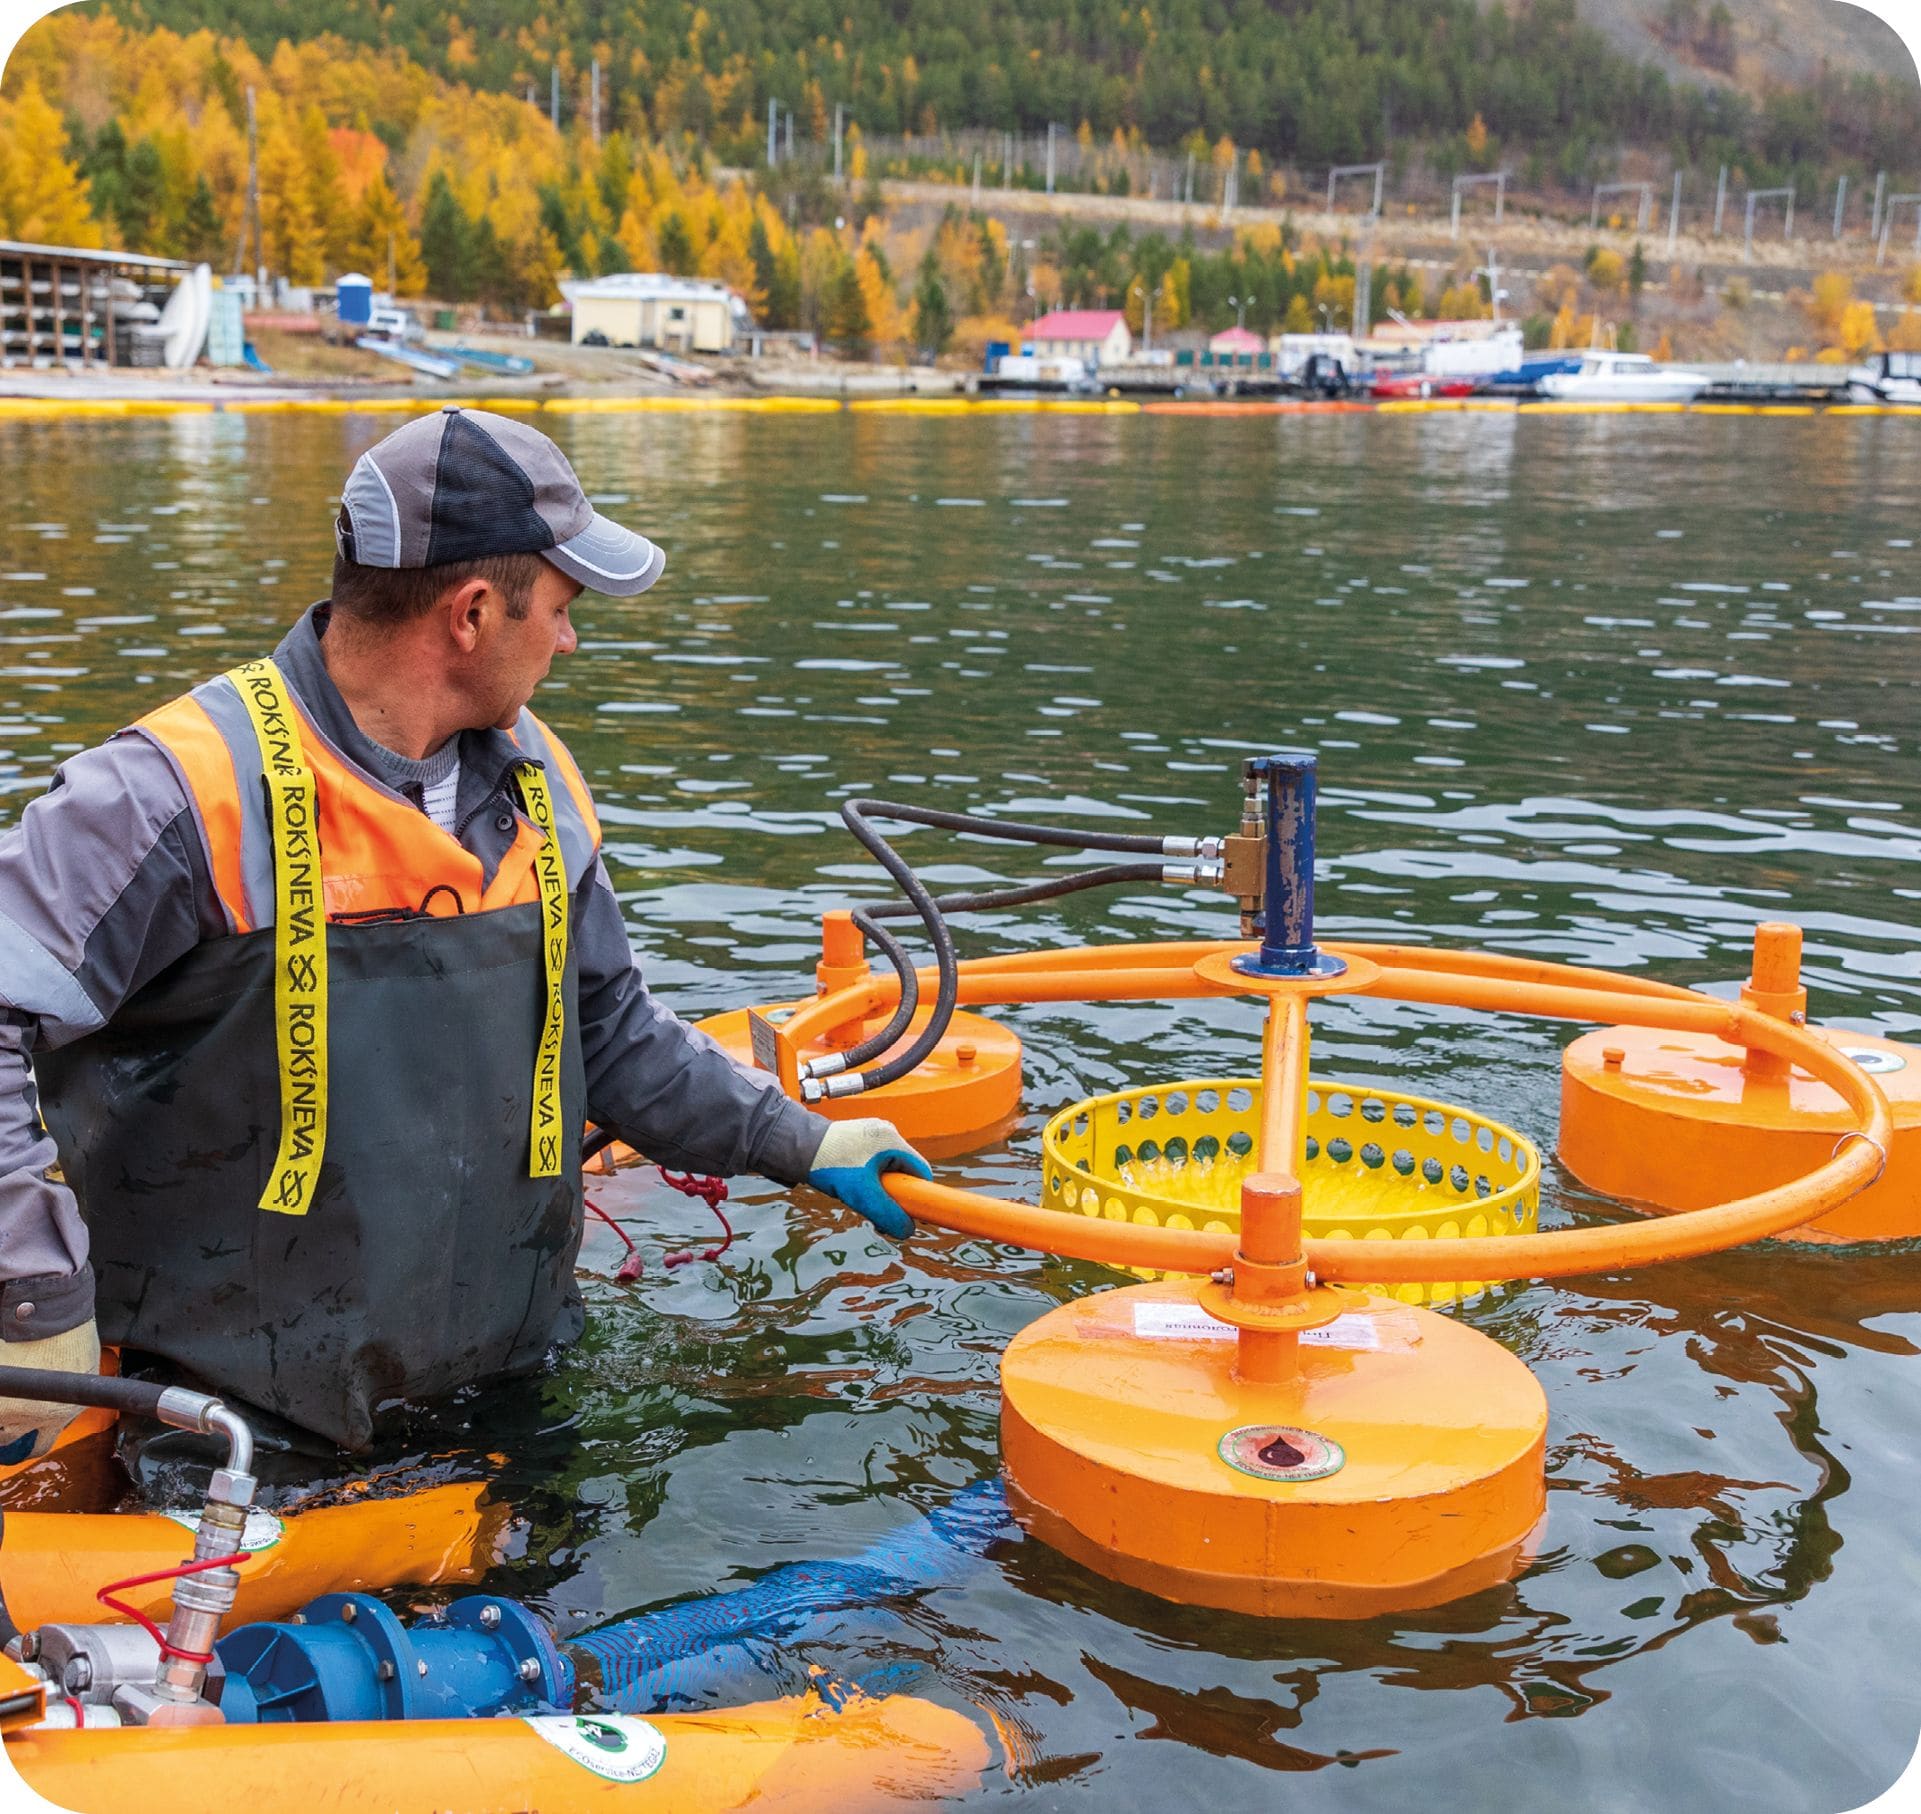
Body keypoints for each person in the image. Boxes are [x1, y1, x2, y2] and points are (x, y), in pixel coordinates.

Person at [0, 404, 929, 1466]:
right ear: (473, 613)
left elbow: (612, 1031)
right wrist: (33, 1286)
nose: (570, 639)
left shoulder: (544, 780)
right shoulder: (171, 790)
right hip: (230, 1436)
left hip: (510, 1385)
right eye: (563, 608)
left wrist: (800, 1140)